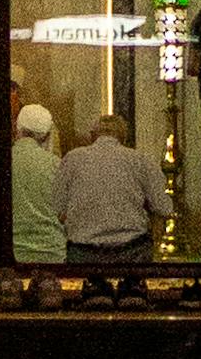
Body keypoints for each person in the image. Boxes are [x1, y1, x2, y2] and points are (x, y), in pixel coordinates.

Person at [57, 103, 162, 274]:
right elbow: (162, 207)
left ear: (92, 136)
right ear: (124, 137)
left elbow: (58, 208)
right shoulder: (140, 160)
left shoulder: (73, 159)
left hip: (84, 255)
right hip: (132, 254)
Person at [10, 94, 69, 272]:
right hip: (52, 253)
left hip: (13, 252)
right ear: (46, 136)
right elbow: (64, 213)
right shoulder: (57, 165)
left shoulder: (1, 162)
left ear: (17, 129)